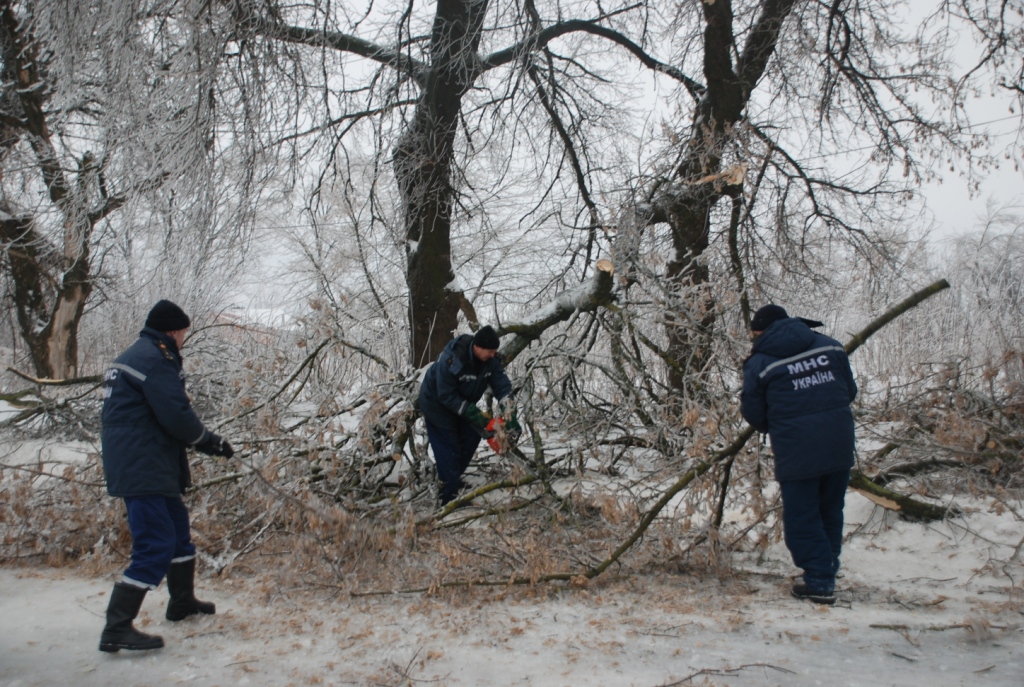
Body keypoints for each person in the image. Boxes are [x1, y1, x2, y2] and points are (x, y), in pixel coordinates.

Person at [98, 299, 235, 652]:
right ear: (174, 332)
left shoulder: (137, 354)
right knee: (155, 543)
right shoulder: (155, 360)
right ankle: (117, 626)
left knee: (176, 531)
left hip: (144, 460)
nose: (184, 339)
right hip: (143, 464)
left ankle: (182, 601)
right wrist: (207, 441)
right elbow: (175, 413)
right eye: (184, 333)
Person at [740, 304, 857, 605]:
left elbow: (754, 413)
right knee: (830, 509)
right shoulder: (831, 346)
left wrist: (779, 422)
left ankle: (819, 580)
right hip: (838, 441)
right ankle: (827, 569)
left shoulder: (761, 362)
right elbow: (850, 391)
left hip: (797, 449)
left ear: (760, 332)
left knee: (802, 515)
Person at [418, 325, 518, 506]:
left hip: (461, 402)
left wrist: (509, 412)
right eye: (490, 351)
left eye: (495, 351)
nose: (493, 355)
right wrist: (475, 413)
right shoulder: (452, 359)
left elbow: (502, 386)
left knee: (472, 435)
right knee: (448, 446)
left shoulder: (490, 362)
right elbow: (446, 395)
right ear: (477, 347)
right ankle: (448, 498)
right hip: (436, 404)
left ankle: (452, 479)